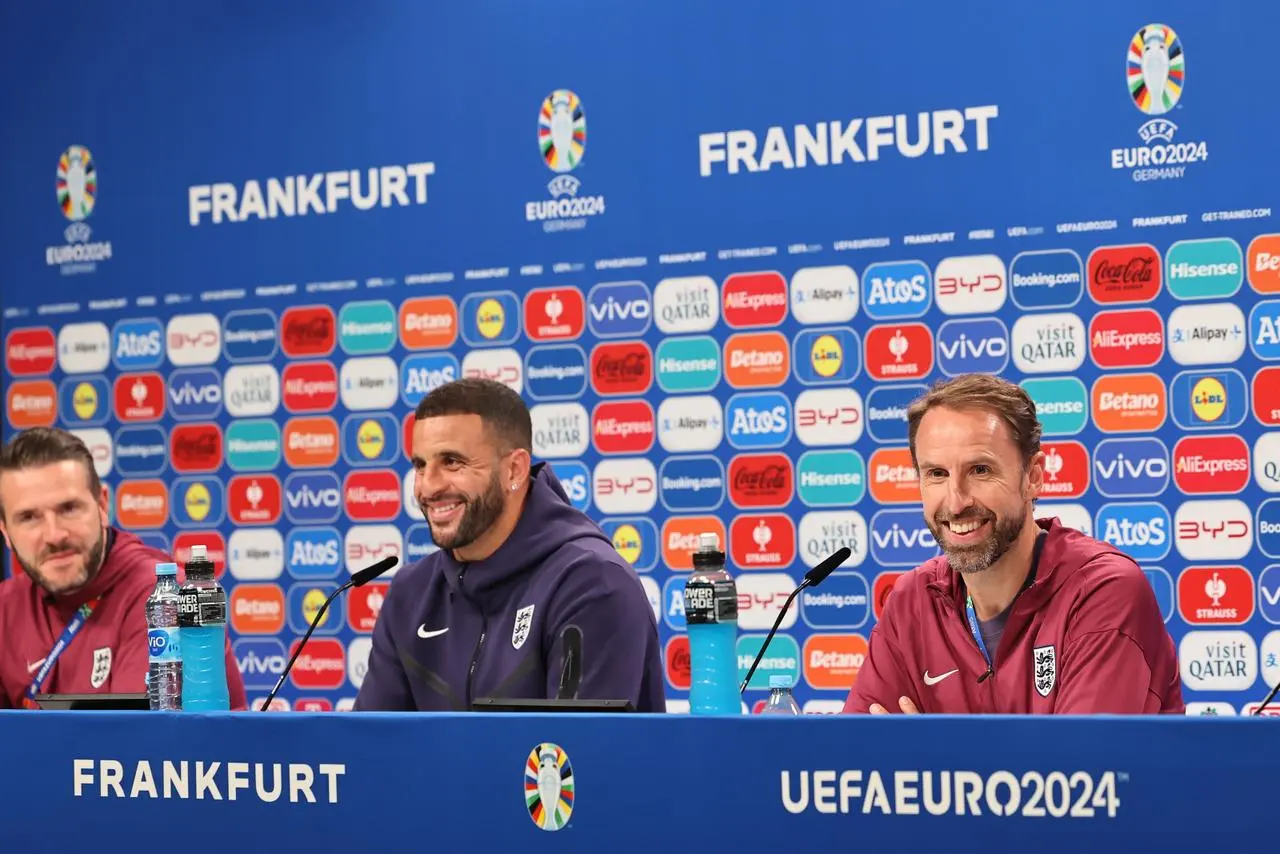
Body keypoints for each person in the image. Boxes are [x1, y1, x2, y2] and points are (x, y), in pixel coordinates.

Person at [843, 374, 1183, 715]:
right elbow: (851, 759)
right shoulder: (913, 602)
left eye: (980, 470)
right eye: (936, 474)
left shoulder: (1102, 591)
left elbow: (1081, 765)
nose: (956, 501)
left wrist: (929, 760)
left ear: (1033, 477)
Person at [355, 378, 665, 712]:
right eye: (420, 465)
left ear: (514, 469)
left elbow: (578, 758)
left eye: (452, 462)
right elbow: (371, 754)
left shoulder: (592, 585)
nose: (428, 487)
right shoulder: (411, 594)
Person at [0, 427, 247, 710]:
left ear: (102, 505)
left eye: (68, 508)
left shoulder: (166, 598)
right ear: (6, 532)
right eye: (29, 517)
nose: (54, 535)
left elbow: (133, 743)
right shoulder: (6, 606)